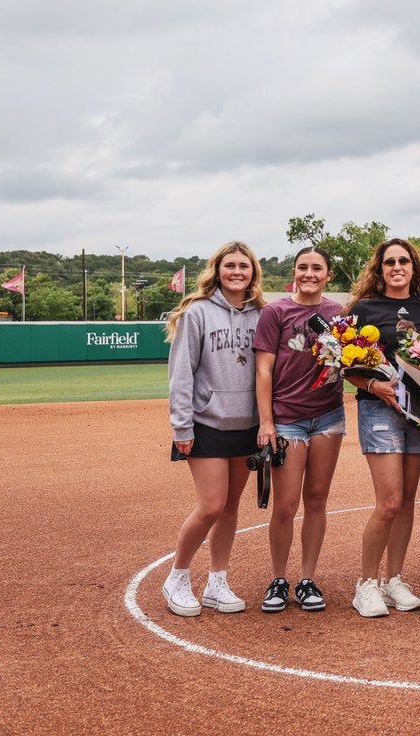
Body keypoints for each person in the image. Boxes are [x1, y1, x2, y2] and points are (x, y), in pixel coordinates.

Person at [162, 241, 266, 617]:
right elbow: (181, 374)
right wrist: (182, 427)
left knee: (231, 506)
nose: (237, 272)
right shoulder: (197, 313)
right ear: (217, 270)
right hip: (206, 423)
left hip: (247, 425)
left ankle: (217, 581)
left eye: (244, 266)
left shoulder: (261, 315)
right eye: (230, 266)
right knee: (210, 506)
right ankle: (177, 576)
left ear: (253, 272)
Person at [347, 238, 420, 618]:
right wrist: (373, 385)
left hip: (419, 411)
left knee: (408, 502)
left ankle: (393, 579)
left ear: (413, 267)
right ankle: (365, 584)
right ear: (380, 269)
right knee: (389, 502)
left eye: (403, 260)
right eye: (389, 262)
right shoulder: (363, 309)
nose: (397, 266)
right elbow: (345, 364)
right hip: (380, 409)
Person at [254, 246, 345, 614]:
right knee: (286, 504)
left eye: (317, 268)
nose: (309, 273)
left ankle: (307, 579)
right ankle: (279, 579)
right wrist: (266, 422)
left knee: (317, 500)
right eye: (303, 267)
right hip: (287, 418)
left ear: (328, 275)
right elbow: (263, 371)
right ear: (294, 272)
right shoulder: (276, 312)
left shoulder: (338, 314)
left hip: (328, 416)